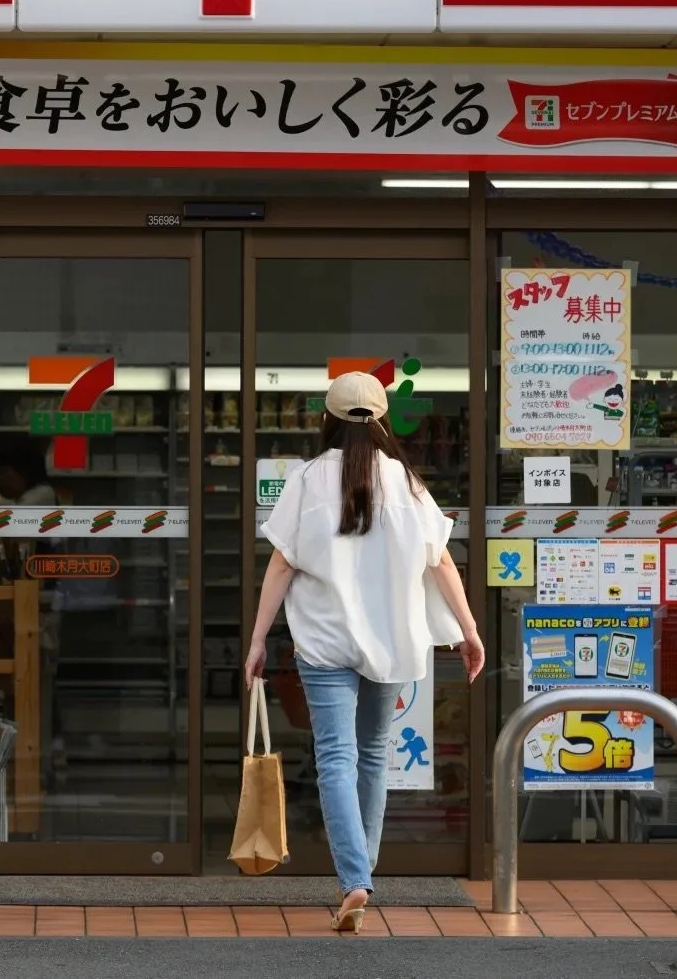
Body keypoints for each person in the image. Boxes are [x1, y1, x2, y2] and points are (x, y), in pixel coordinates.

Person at [244, 372, 485, 933]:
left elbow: (280, 565)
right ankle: (361, 874)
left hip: (324, 641)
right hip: (393, 639)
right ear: (381, 421)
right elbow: (441, 561)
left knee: (336, 757)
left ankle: (354, 878)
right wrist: (470, 631)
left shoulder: (306, 480)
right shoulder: (407, 482)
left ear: (326, 419)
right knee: (373, 753)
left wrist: (257, 638)